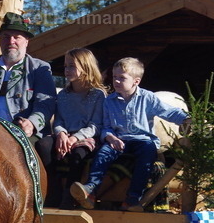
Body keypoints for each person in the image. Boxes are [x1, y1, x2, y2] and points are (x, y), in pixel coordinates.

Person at [70, 57, 188, 211]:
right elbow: (106, 127)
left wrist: (186, 119)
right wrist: (110, 137)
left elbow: (169, 111)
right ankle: (90, 190)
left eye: (122, 78)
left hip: (142, 140)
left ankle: (133, 199)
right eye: (114, 77)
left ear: (136, 81)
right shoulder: (109, 101)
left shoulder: (147, 98)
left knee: (147, 155)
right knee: (103, 153)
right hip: (119, 139)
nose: (116, 81)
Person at [34, 48, 106, 207]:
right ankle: (53, 190)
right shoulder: (63, 95)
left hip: (87, 137)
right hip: (65, 135)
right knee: (43, 145)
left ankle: (69, 195)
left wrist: (75, 138)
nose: (67, 70)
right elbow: (58, 120)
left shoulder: (97, 95)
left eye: (72, 66)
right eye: (66, 66)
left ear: (86, 67)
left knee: (78, 154)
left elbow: (96, 125)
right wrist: (61, 135)